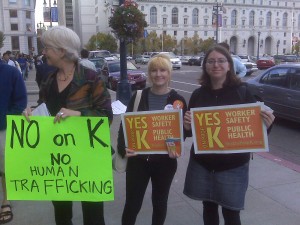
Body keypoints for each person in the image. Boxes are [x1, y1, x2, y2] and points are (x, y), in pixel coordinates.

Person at [23, 26, 113, 225]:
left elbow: (107, 116)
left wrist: (79, 114)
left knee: (93, 215)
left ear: (62, 51)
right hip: (58, 162)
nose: (43, 52)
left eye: (47, 47)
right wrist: (32, 112)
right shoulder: (48, 79)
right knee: (62, 214)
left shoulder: (90, 78)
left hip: (88, 159)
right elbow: (44, 107)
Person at [183, 45, 275, 225]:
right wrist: (186, 126)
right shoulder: (197, 94)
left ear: (229, 65)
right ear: (205, 66)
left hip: (233, 167)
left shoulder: (244, 92)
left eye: (221, 60)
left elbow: (258, 128)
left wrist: (267, 124)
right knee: (208, 209)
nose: (215, 65)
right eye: (210, 61)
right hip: (203, 164)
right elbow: (190, 131)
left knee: (231, 214)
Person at [117, 54, 187, 225]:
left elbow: (182, 133)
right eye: (154, 70)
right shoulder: (138, 96)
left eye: (163, 70)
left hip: (165, 162)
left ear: (169, 73)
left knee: (160, 203)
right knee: (132, 204)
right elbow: (124, 126)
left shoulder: (178, 100)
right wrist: (122, 148)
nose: (158, 74)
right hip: (138, 161)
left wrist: (178, 143)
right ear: (149, 74)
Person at [0, 63, 27, 224]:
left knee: (4, 168)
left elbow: (20, 102)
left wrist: (3, 119)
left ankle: (6, 200)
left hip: (2, 129)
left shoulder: (10, 73)